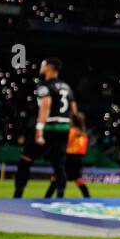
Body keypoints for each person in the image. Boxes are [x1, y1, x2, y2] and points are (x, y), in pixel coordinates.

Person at [14, 57, 75, 199]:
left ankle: (18, 194)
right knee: (59, 164)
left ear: (49, 67)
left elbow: (45, 107)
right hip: (64, 127)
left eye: (43, 65)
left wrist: (40, 129)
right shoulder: (66, 86)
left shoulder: (44, 86)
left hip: (48, 127)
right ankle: (60, 196)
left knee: (25, 160)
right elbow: (73, 110)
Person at [45, 109, 91, 199]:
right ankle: (88, 198)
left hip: (68, 157)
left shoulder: (71, 131)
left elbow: (63, 143)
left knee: (57, 177)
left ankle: (52, 198)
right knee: (78, 179)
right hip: (78, 159)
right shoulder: (83, 133)